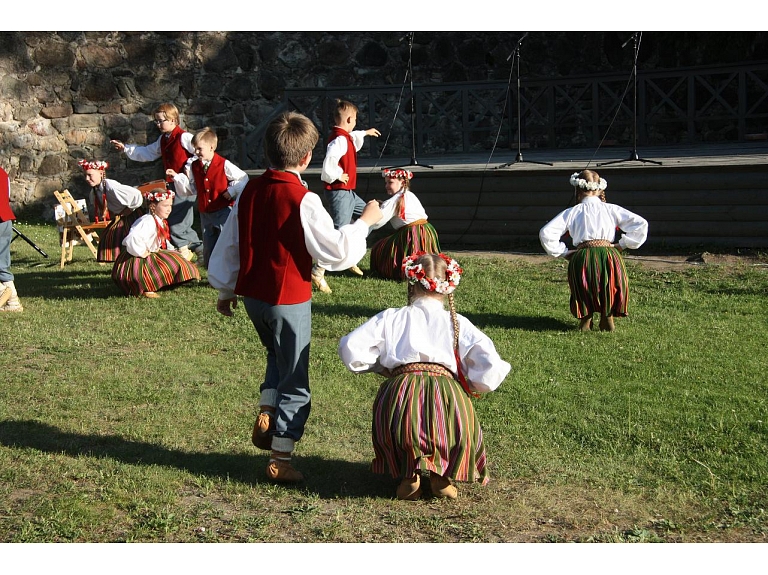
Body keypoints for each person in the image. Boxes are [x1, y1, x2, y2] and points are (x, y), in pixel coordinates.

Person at [208, 111, 383, 483]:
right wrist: (364, 223)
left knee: (276, 354)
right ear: (306, 158)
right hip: (287, 298)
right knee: (295, 375)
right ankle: (280, 456)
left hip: (254, 296)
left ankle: (268, 408)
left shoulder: (248, 190)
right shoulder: (303, 199)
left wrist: (225, 288)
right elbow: (334, 252)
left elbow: (230, 243)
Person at [339, 252, 510, 500]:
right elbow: (490, 365)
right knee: (449, 427)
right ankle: (441, 477)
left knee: (404, 426)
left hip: (402, 386)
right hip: (445, 389)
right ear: (447, 288)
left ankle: (409, 476)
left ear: (411, 283)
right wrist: (472, 382)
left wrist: (379, 367)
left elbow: (350, 346)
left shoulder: (391, 317)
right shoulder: (457, 322)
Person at [539, 169, 649, 332]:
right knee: (609, 285)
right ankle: (607, 317)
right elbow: (641, 224)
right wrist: (622, 245)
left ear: (577, 189)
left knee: (585, 286)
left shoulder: (572, 212)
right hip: (608, 254)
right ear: (599, 189)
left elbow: (546, 233)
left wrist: (563, 252)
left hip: (583, 254)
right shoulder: (611, 209)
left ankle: (586, 319)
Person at [110, 103, 203, 261]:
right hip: (173, 185)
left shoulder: (184, 137)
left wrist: (186, 171)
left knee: (178, 221)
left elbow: (199, 153)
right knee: (174, 219)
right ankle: (194, 250)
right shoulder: (164, 139)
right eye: (157, 121)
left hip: (185, 185)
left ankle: (192, 250)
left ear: (173, 120)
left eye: (161, 121)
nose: (159, 124)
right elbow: (148, 152)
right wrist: (126, 148)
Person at [312, 99, 381, 294]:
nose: (356, 122)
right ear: (350, 119)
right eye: (356, 119)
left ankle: (349, 257)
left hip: (348, 192)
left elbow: (352, 137)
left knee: (370, 219)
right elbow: (330, 161)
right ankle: (318, 271)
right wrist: (336, 175)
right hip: (339, 192)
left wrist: (365, 133)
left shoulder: (345, 136)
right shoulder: (339, 140)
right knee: (339, 232)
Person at [166, 127, 248, 268]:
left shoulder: (223, 164)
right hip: (205, 212)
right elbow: (191, 187)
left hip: (222, 210)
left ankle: (231, 270)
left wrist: (232, 190)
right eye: (195, 149)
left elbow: (242, 177)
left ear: (211, 147)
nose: (196, 152)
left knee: (226, 241)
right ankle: (212, 271)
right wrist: (177, 178)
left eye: (199, 149)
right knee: (208, 243)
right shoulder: (194, 166)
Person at [111, 187, 200, 299]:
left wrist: (172, 251)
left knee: (176, 259)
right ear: (153, 206)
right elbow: (132, 238)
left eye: (170, 206)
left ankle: (167, 281)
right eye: (165, 206)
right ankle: (145, 287)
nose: (169, 209)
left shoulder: (158, 220)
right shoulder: (146, 221)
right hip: (136, 257)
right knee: (158, 267)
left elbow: (163, 240)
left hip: (150, 252)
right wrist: (142, 252)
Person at [368, 168, 440, 280]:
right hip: (427, 230)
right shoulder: (410, 195)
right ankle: (428, 270)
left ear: (402, 182)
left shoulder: (394, 200)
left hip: (411, 233)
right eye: (386, 183)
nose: (386, 186)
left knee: (380, 247)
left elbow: (378, 222)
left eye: (390, 182)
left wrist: (372, 210)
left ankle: (399, 272)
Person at [78, 159, 145, 262]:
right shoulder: (95, 190)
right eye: (85, 176)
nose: (87, 178)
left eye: (90, 175)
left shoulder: (112, 187)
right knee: (108, 238)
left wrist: (130, 209)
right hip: (121, 217)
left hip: (133, 216)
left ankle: (134, 263)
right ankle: (123, 263)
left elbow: (136, 195)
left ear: (101, 173)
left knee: (131, 241)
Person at [0, 166, 22, 312]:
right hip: (5, 219)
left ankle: (2, 292)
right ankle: (12, 301)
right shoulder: (2, 172)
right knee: (2, 263)